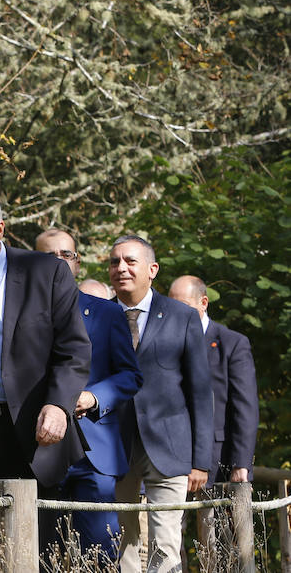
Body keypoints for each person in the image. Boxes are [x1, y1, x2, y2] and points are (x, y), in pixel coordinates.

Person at [0, 194, 91, 555]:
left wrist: (59, 405)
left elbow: (74, 349)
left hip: (32, 430)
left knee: (33, 548)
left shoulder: (45, 272)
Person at [35, 228, 142, 560]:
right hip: (36, 449)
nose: (58, 261)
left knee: (99, 556)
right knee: (39, 556)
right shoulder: (13, 310)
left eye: (66, 255)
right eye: (49, 255)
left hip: (94, 452)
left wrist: (95, 398)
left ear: (77, 263)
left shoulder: (107, 313)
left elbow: (130, 375)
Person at [109, 235, 213, 572]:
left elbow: (200, 391)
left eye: (130, 261)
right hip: (113, 447)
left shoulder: (182, 317)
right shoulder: (97, 315)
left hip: (170, 446)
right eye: (114, 261)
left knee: (165, 545)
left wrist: (201, 461)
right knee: (120, 542)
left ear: (152, 269)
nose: (121, 268)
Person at [168, 275, 257, 484]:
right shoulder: (164, 342)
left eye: (183, 306)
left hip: (217, 461)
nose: (177, 313)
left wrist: (241, 464)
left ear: (204, 303)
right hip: (168, 457)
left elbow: (244, 407)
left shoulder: (232, 344)